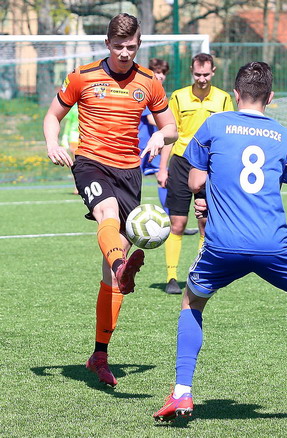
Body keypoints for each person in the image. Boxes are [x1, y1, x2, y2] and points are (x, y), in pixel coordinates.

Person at [153, 61, 287, 422]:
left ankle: (182, 392)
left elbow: (195, 182)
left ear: (236, 94)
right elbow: (272, 183)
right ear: (271, 96)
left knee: (192, 302)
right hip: (273, 243)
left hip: (223, 243)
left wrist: (209, 195)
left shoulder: (215, 124)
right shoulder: (281, 134)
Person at [43, 13, 178, 387]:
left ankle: (99, 355)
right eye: (118, 46)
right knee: (107, 213)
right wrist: (52, 143)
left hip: (129, 174)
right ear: (107, 44)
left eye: (130, 47)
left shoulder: (148, 82)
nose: (124, 53)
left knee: (110, 277)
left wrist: (160, 137)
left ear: (139, 45)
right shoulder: (82, 76)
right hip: (90, 163)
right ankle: (122, 266)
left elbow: (171, 126)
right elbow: (53, 116)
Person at [160, 52, 234, 295]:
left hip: (209, 165)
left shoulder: (223, 99)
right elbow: (170, 134)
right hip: (181, 162)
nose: (202, 79)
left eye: (206, 74)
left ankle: (201, 273)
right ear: (192, 72)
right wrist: (162, 168)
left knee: (204, 223)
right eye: (198, 74)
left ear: (213, 72)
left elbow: (228, 136)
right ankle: (171, 277)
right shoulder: (178, 97)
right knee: (177, 223)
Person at [139, 58, 170, 213]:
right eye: (157, 72)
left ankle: (171, 216)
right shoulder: (145, 91)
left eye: (163, 73)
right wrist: (171, 126)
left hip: (155, 145)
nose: (160, 76)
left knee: (163, 176)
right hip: (139, 144)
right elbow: (152, 118)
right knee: (131, 181)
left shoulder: (162, 93)